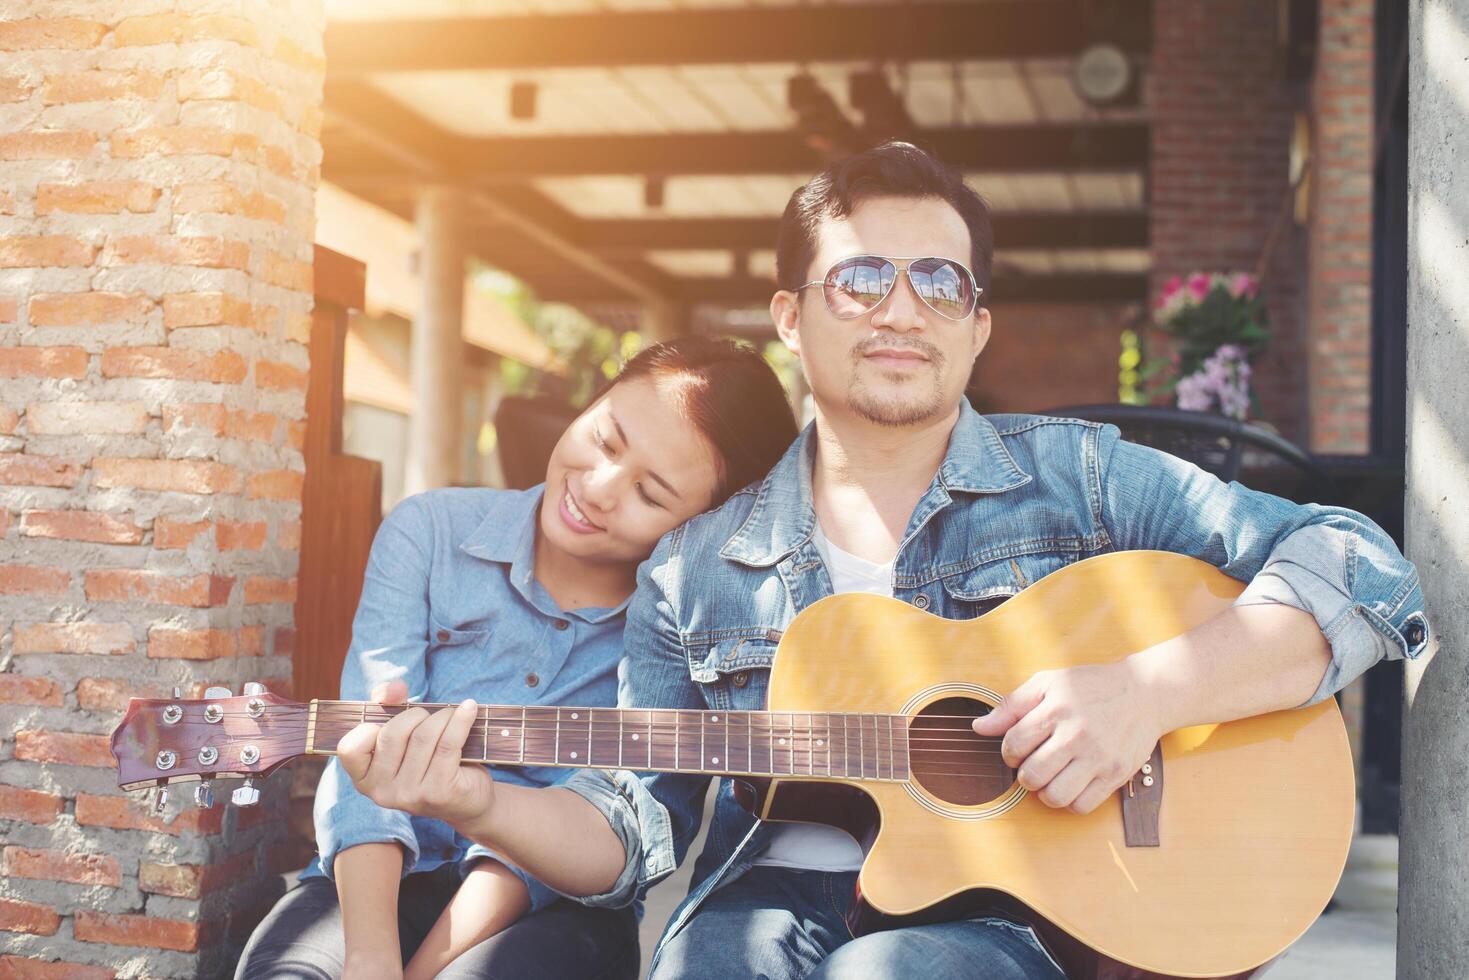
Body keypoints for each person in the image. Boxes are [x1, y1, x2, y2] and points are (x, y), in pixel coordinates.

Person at [335, 142, 1431, 980]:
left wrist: (1142, 692)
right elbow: (631, 827)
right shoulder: (689, 570)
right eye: (859, 278)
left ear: (977, 328)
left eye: (939, 283)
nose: (902, 309)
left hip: (1012, 907)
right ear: (790, 316)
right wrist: (473, 798)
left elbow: (1359, 564)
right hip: (761, 900)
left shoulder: (1083, 480)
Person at [236, 336, 798, 980]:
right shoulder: (431, 530)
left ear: (702, 525)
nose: (599, 487)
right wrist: (370, 957)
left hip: (551, 910)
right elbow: (364, 759)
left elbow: (594, 833)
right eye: (606, 440)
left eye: (651, 494)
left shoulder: (677, 632)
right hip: (373, 876)